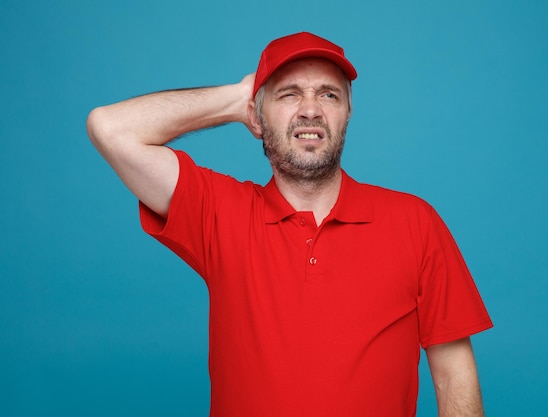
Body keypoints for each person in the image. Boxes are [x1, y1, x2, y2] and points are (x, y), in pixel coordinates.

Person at [87, 32, 493, 417]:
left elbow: (454, 370)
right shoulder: (219, 212)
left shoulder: (414, 222)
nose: (311, 109)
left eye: (328, 94)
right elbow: (111, 129)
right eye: (289, 94)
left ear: (348, 113)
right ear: (257, 116)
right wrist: (235, 99)